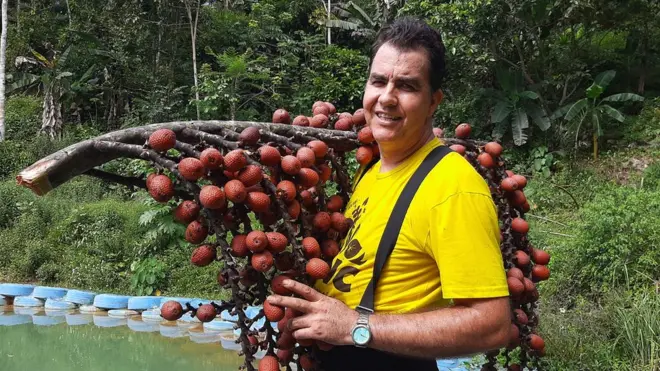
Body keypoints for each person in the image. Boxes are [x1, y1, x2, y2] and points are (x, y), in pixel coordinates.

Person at [266, 17, 511, 371]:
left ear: (433, 102)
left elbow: (492, 324)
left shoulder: (453, 187)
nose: (387, 97)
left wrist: (355, 326)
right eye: (378, 81)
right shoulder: (372, 168)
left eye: (407, 86)